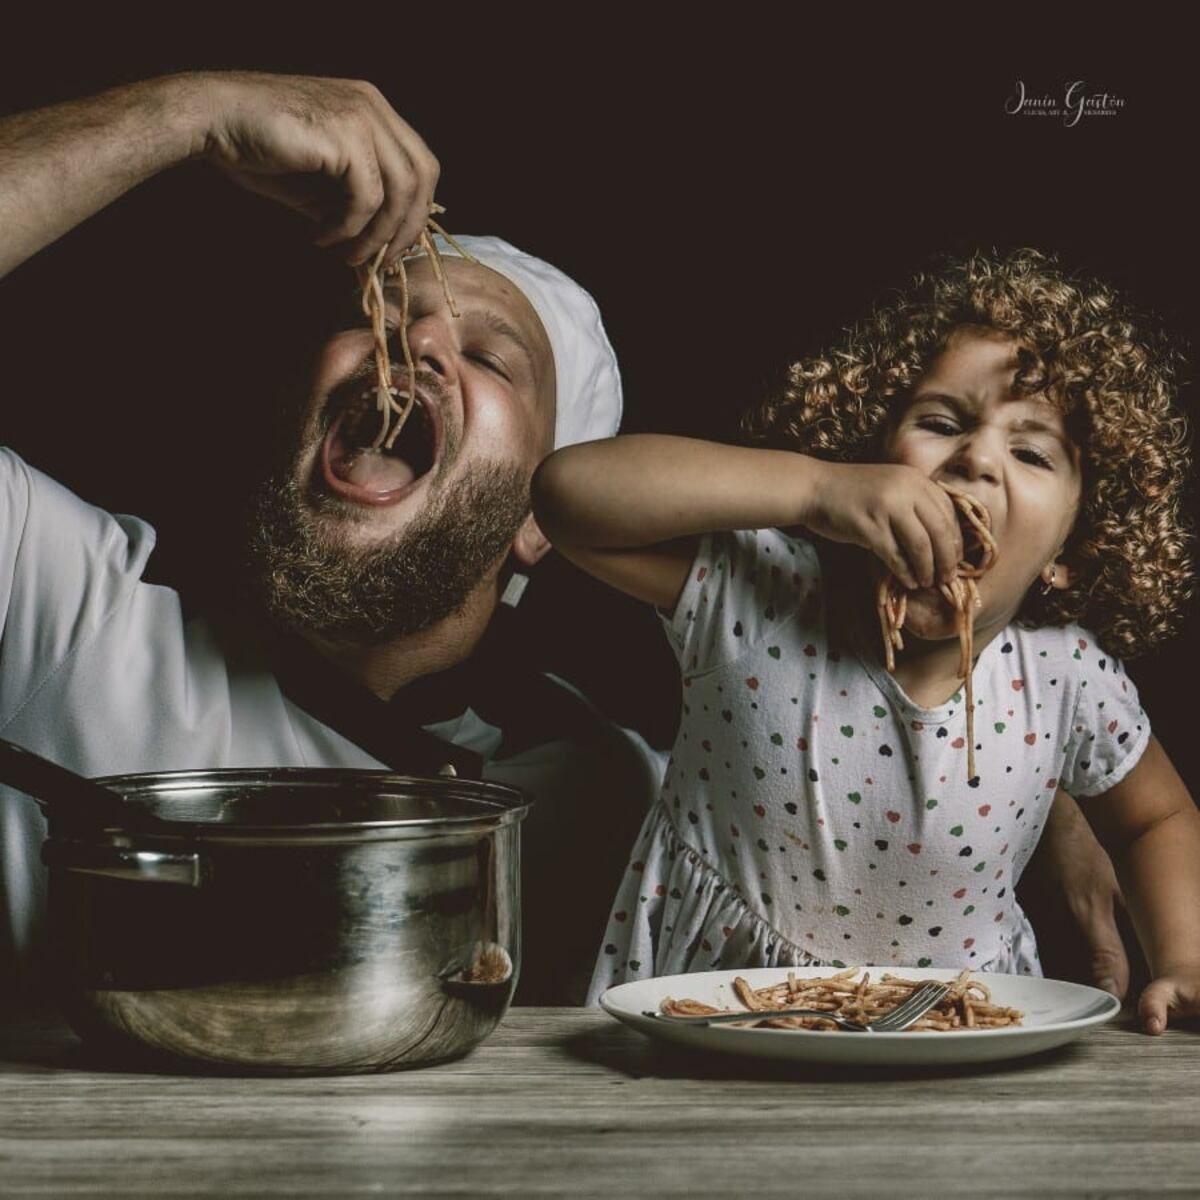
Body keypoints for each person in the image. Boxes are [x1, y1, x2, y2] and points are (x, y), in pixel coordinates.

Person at [0, 70, 659, 1005]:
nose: (415, 349)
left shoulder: (606, 792)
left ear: (546, 522)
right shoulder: (70, 604)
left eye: (488, 357)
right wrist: (184, 113)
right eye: (376, 321)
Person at [533, 247, 1200, 1032]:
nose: (977, 456)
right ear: (871, 458)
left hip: (953, 1032)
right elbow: (566, 495)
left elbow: (1154, 818)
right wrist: (812, 488)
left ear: (1069, 554)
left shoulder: (1067, 675)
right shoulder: (763, 594)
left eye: (1030, 452)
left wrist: (1184, 959)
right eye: (942, 422)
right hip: (713, 1018)